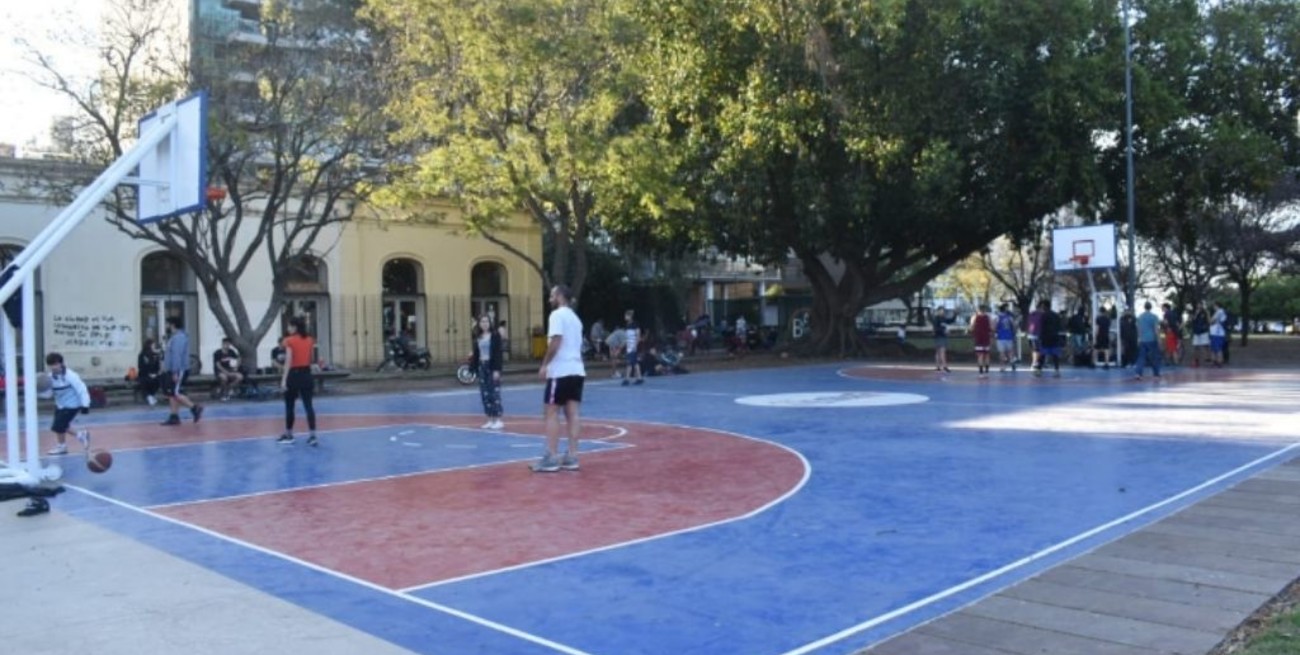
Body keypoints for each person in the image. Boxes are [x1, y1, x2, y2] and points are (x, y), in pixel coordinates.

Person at [532, 284, 586, 473]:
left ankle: (552, 457)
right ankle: (572, 456)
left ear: (560, 296)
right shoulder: (576, 319)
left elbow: (556, 341)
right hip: (577, 370)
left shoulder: (556, 315)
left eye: (552, 295)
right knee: (573, 413)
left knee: (551, 412)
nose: (549, 299)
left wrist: (545, 364)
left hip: (561, 370)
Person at [277, 316, 319, 446]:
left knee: (290, 406)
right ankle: (313, 436)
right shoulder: (310, 340)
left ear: (294, 327)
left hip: (293, 376)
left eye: (289, 326)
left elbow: (288, 361)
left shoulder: (288, 340)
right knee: (309, 406)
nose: (288, 328)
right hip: (306, 375)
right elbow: (310, 358)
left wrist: (284, 380)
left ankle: (289, 434)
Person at [41, 352, 92, 456]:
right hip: (60, 404)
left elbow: (81, 389)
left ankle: (64, 445)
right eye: (51, 365)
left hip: (73, 405)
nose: (53, 367)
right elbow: (49, 393)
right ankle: (78, 437)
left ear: (61, 363)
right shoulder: (50, 378)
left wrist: (85, 404)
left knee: (58, 426)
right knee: (62, 426)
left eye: (55, 364)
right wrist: (40, 391)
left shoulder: (71, 376)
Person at [160, 316, 204, 426]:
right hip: (172, 369)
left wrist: (175, 371)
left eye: (167, 324)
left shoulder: (179, 338)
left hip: (178, 370)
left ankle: (194, 407)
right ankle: (174, 416)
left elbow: (177, 355)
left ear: (172, 325)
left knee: (176, 392)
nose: (166, 326)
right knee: (171, 393)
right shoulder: (174, 337)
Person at [470, 314, 504, 429]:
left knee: (494, 392)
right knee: (484, 393)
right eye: (482, 322)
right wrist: (472, 367)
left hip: (491, 365)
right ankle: (490, 418)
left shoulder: (495, 335)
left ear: (490, 323)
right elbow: (476, 353)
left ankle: (498, 419)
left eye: (486, 321)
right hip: (481, 366)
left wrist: (497, 370)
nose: (485, 324)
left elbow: (498, 353)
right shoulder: (478, 336)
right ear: (479, 324)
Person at [1035, 301, 1064, 378]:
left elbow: (1041, 327)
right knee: (1055, 355)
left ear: (1044, 306)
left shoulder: (1043, 316)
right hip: (1055, 337)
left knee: (1042, 355)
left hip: (1045, 337)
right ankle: (1057, 371)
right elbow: (1060, 326)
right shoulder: (1056, 315)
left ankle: (1039, 371)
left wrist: (1039, 337)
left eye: (1042, 306)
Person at [1135, 301, 1162, 380]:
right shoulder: (1154, 317)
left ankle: (1138, 373)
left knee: (1141, 357)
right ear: (1151, 307)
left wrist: (1139, 338)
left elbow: (1139, 329)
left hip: (1143, 339)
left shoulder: (1140, 317)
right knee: (1154, 357)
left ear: (1144, 307)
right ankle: (1156, 373)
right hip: (1152, 339)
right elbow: (1156, 329)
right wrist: (1159, 339)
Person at [212, 337, 244, 401]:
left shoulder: (231, 352)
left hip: (230, 370)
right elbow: (218, 365)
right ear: (222, 344)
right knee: (224, 378)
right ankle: (223, 393)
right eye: (225, 344)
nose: (227, 345)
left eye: (228, 344)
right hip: (220, 371)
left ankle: (230, 388)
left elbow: (238, 359)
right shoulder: (217, 353)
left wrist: (236, 367)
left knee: (240, 377)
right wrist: (226, 372)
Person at [137, 338, 162, 406]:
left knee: (158, 380)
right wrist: (149, 373)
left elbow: (157, 367)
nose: (154, 346)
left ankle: (151, 395)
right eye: (153, 345)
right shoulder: (142, 355)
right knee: (145, 381)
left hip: (154, 374)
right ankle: (149, 396)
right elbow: (141, 366)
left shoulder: (155, 355)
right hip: (144, 374)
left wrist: (155, 373)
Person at [969, 305, 993, 377]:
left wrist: (972, 331)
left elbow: (971, 327)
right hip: (986, 337)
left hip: (978, 338)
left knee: (980, 355)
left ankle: (981, 372)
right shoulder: (988, 317)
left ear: (978, 309)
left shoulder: (974, 317)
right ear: (985, 310)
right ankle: (987, 371)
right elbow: (992, 327)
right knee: (987, 355)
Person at [622, 310, 643, 386]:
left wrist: (635, 345)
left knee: (629, 362)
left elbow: (638, 336)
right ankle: (639, 378)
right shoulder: (627, 325)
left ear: (630, 316)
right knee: (634, 362)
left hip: (632, 346)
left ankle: (627, 379)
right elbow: (626, 337)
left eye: (626, 316)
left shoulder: (635, 324)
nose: (625, 317)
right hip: (629, 346)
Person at [994, 305, 1018, 372]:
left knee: (1002, 353)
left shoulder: (997, 317)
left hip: (1000, 337)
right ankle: (1012, 362)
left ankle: (1002, 367)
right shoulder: (1009, 317)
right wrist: (1013, 334)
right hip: (1009, 337)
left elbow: (994, 327)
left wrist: (996, 331)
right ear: (1005, 310)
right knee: (1010, 351)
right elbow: (1014, 326)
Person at [932, 307, 953, 373]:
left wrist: (955, 314)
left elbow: (950, 321)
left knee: (939, 352)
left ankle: (938, 366)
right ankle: (944, 366)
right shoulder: (936, 318)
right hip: (939, 337)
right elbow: (936, 328)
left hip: (942, 336)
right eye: (942, 311)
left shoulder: (944, 319)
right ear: (938, 311)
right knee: (941, 352)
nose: (943, 312)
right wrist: (944, 331)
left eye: (944, 311)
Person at [1209, 301, 1228, 367]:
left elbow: (1211, 321)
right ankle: (1216, 361)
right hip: (1219, 333)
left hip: (1217, 333)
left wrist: (1209, 318)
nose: (1213, 307)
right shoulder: (1223, 312)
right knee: (1216, 348)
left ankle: (1218, 361)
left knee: (1217, 349)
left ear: (1217, 305)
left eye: (1214, 306)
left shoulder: (1219, 312)